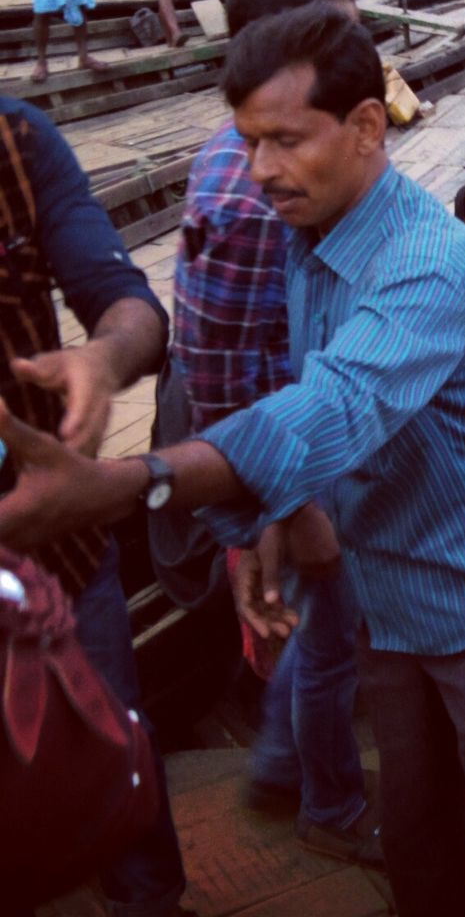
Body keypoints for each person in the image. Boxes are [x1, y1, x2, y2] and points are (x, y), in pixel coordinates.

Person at [0, 3, 465, 917]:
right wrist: (272, 519)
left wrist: (128, 481)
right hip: (388, 591)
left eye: (285, 141)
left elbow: (335, 404)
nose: (260, 170)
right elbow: (301, 405)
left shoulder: (428, 260)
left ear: (368, 127)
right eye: (248, 142)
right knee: (422, 854)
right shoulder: (311, 235)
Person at [174, 0, 375, 865]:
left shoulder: (261, 161)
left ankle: (288, 767)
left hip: (299, 439)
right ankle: (323, 797)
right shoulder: (253, 191)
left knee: (329, 622)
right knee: (330, 629)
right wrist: (280, 506)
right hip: (285, 455)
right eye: (337, 39)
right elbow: (217, 367)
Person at [0, 95, 186, 917]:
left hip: (62, 550)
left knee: (122, 773)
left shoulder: (18, 142)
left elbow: (128, 302)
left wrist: (104, 361)